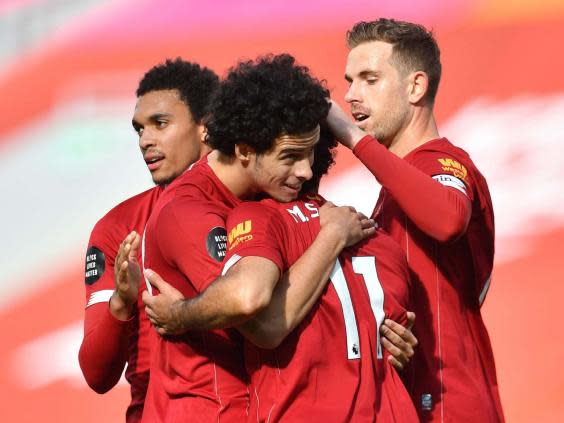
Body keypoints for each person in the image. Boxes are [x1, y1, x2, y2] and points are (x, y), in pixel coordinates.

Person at [136, 54, 376, 422]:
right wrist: (332, 237)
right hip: (210, 412)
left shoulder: (274, 194)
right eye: (290, 156)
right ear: (246, 150)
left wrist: (382, 334)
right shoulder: (187, 212)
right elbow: (259, 315)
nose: (306, 170)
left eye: (309, 152)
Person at [326, 18, 504, 422]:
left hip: (449, 403)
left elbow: (446, 218)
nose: (351, 96)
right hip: (410, 402)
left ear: (415, 87)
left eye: (370, 79)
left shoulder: (445, 163)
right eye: (350, 81)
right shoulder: (396, 187)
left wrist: (354, 139)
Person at [78, 58, 219, 422]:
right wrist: (122, 304)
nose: (145, 141)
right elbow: (96, 374)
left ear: (206, 127)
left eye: (160, 124)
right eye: (139, 129)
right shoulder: (118, 228)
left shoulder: (252, 211)